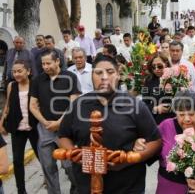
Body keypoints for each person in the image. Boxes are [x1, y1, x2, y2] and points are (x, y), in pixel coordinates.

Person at [58, 55, 161, 194]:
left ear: (118, 75)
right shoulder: (78, 105)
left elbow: (155, 141)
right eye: (98, 72)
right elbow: (63, 136)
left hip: (128, 186)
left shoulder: (135, 105)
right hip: (86, 184)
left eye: (110, 72)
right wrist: (77, 156)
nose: (104, 77)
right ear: (91, 76)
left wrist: (131, 158)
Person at [29, 49, 81, 194]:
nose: (45, 67)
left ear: (57, 61)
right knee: (48, 166)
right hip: (45, 129)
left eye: (48, 63)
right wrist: (45, 122)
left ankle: (76, 190)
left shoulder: (70, 77)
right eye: (43, 64)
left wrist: (59, 122)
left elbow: (73, 103)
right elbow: (32, 105)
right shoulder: (38, 80)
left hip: (65, 129)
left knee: (69, 165)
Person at [0, 60, 39, 194]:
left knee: (43, 158)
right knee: (17, 161)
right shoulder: (11, 85)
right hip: (17, 129)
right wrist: (1, 122)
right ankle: (21, 190)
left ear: (28, 71)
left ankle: (50, 181)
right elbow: (8, 105)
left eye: (19, 71)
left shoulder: (35, 84)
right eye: (14, 72)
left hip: (34, 128)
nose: (16, 74)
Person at [142, 53, 174, 124]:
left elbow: (182, 100)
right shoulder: (148, 80)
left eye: (160, 66)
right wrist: (156, 108)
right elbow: (144, 104)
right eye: (153, 67)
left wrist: (171, 107)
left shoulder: (175, 78)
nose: (156, 69)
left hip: (174, 120)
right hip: (156, 121)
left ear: (166, 64)